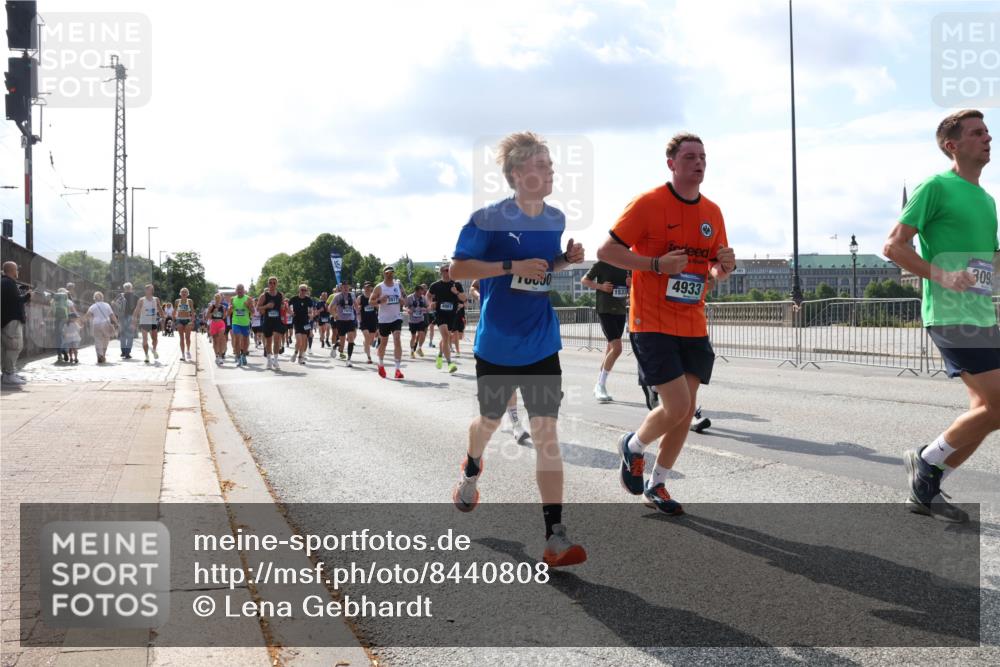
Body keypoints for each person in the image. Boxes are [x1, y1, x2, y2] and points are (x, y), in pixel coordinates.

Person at [450, 131, 587, 567]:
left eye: (551, 164)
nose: (551, 171)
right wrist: (510, 265)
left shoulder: (556, 218)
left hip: (541, 341)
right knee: (488, 422)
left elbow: (541, 270)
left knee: (547, 435)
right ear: (517, 174)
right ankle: (472, 465)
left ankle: (555, 536)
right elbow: (458, 268)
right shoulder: (487, 219)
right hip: (497, 345)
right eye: (543, 164)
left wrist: (565, 260)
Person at [598, 131, 735, 516]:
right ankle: (633, 446)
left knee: (686, 411)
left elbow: (714, 269)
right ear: (672, 163)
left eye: (703, 156)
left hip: (693, 321)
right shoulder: (648, 203)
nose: (699, 162)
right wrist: (656, 264)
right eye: (690, 156)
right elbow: (607, 251)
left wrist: (723, 266)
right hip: (652, 319)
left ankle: (658, 483)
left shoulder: (713, 212)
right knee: (676, 405)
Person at [883, 109, 994, 523]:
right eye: (977, 132)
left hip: (982, 314)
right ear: (953, 145)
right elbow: (894, 246)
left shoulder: (986, 199)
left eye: (988, 132)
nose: (988, 138)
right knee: (999, 406)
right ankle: (927, 461)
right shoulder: (935, 186)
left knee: (984, 412)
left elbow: (989, 264)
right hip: (949, 314)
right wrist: (943, 275)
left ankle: (928, 483)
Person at [471, 278, 531, 445]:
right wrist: (482, 297)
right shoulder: (492, 264)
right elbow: (473, 287)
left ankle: (513, 421)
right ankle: (515, 424)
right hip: (492, 335)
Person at [582, 261, 630, 402]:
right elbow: (584, 280)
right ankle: (600, 385)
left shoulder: (627, 265)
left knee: (610, 349)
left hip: (620, 310)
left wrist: (630, 284)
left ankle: (599, 385)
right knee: (617, 348)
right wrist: (601, 286)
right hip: (605, 310)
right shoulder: (602, 264)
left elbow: (633, 286)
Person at [427, 264, 464, 374]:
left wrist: (456, 292)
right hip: (440, 315)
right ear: (441, 272)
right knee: (446, 336)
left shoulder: (456, 284)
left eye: (450, 270)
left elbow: (464, 299)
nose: (448, 272)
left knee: (446, 339)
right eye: (446, 270)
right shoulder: (435, 285)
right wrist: (430, 304)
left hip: (452, 315)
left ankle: (439, 355)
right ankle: (449, 363)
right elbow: (428, 296)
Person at [371, 267, 406, 379]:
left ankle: (397, 369)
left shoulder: (398, 286)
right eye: (387, 273)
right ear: (384, 274)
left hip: (396, 317)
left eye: (391, 273)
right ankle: (381, 364)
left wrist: (402, 301)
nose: (390, 275)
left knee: (397, 339)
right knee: (384, 343)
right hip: (384, 319)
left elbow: (404, 299)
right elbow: (370, 301)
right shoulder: (379, 287)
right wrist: (380, 300)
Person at [1, 261, 30, 385]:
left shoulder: (4, 282)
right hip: (11, 321)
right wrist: (28, 296)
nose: (18, 271)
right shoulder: (9, 283)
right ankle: (9, 374)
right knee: (15, 347)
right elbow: (17, 301)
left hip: (5, 320)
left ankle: (7, 373)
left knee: (6, 348)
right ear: (12, 270)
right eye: (16, 269)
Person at [257, 277, 285, 370]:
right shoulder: (264, 296)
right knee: (269, 342)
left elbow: (282, 306)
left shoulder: (280, 295)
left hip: (277, 320)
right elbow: (258, 308)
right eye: (270, 283)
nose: (272, 284)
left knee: (276, 340)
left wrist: (283, 306)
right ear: (268, 284)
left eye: (274, 283)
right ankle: (269, 360)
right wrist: (267, 306)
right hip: (268, 320)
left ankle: (276, 360)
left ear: (277, 284)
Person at [132, 284, 164, 364]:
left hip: (153, 322)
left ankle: (154, 350)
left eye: (152, 289)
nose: (151, 291)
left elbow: (160, 308)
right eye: (149, 289)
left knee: (155, 339)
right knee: (145, 340)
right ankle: (146, 355)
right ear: (146, 290)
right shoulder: (141, 300)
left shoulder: (156, 299)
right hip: (144, 322)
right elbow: (136, 310)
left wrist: (163, 317)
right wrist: (134, 321)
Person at [85, 291, 119, 364]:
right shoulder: (107, 305)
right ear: (102, 298)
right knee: (106, 340)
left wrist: (81, 323)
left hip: (96, 324)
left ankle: (99, 355)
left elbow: (87, 316)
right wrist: (116, 323)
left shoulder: (93, 306)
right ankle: (103, 355)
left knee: (98, 340)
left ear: (94, 299)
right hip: (105, 324)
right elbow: (112, 315)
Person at [329, 283, 358, 367]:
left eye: (347, 287)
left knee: (351, 339)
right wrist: (335, 315)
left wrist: (358, 313)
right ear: (341, 288)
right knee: (342, 342)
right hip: (341, 321)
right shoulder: (337, 296)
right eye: (344, 287)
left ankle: (349, 359)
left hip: (350, 320)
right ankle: (335, 346)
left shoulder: (352, 295)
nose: (345, 288)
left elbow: (356, 305)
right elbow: (330, 308)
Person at [288, 284, 314, 365]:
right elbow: (287, 306)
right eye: (302, 290)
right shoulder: (294, 299)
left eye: (305, 290)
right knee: (299, 341)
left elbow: (311, 310)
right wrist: (291, 312)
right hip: (297, 321)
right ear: (299, 290)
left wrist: (311, 314)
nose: (303, 292)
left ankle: (300, 357)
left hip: (306, 322)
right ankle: (295, 353)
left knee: (304, 341)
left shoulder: (308, 300)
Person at [230, 284, 254, 367]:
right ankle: (238, 357)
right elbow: (229, 313)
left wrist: (248, 306)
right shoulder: (233, 299)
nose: (239, 291)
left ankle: (244, 355)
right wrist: (230, 309)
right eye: (238, 289)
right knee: (237, 339)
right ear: (236, 291)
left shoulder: (248, 299)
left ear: (244, 290)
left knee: (245, 340)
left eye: (241, 289)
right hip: (236, 322)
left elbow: (253, 311)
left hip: (245, 323)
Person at [115, 282, 140, 359]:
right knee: (130, 335)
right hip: (132, 317)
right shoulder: (136, 297)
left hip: (122, 317)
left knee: (123, 334)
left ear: (124, 288)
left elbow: (115, 305)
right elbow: (138, 309)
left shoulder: (120, 296)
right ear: (131, 288)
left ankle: (123, 351)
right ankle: (127, 352)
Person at [357, 282, 378, 364]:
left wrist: (376, 304)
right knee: (367, 337)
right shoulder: (360, 297)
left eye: (369, 287)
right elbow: (356, 307)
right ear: (364, 288)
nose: (368, 288)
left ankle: (365, 344)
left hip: (373, 320)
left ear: (371, 288)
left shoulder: (374, 297)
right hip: (364, 321)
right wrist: (358, 313)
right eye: (366, 287)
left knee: (371, 340)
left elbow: (378, 306)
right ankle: (369, 357)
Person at [406, 284, 429, 358]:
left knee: (422, 333)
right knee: (413, 336)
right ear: (415, 291)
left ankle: (419, 348)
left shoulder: (423, 298)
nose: (421, 294)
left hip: (420, 319)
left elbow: (427, 306)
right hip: (412, 320)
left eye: (422, 293)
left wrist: (425, 309)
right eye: (419, 293)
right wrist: (408, 310)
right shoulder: (410, 297)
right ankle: (412, 351)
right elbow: (404, 306)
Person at [175, 288, 196, 361]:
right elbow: (175, 311)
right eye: (182, 292)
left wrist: (192, 321)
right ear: (180, 293)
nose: (184, 293)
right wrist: (174, 321)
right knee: (181, 338)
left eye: (185, 292)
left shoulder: (190, 301)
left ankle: (188, 351)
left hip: (187, 320)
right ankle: (183, 354)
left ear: (187, 294)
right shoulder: (177, 301)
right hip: (179, 320)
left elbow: (192, 311)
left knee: (187, 337)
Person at [207, 293, 229, 365]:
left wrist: (226, 313)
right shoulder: (211, 306)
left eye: (219, 298)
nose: (218, 299)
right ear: (214, 299)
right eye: (216, 298)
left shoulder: (222, 307)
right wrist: (213, 312)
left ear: (220, 299)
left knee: (220, 340)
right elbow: (208, 317)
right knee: (215, 341)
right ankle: (216, 356)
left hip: (221, 323)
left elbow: (224, 317)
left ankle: (220, 357)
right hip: (213, 324)